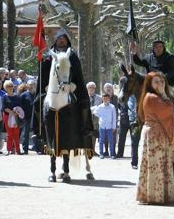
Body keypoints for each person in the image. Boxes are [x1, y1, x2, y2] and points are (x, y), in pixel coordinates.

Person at [35, 29, 95, 182]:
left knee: (83, 102)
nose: (61, 41)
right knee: (38, 104)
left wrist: (74, 85)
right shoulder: (48, 56)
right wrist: (45, 87)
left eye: (63, 38)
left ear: (67, 40)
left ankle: (85, 128)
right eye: (59, 38)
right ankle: (38, 129)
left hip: (70, 87)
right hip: (51, 89)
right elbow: (43, 74)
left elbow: (77, 74)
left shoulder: (72, 55)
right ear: (55, 40)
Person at [136, 71, 174, 204]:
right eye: (156, 82)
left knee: (159, 164)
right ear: (150, 83)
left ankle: (160, 195)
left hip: (158, 135)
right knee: (155, 165)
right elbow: (168, 110)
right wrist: (165, 94)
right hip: (154, 135)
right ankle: (155, 196)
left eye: (162, 81)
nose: (160, 84)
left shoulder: (154, 97)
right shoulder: (151, 97)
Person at [92, 93, 117, 159]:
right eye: (104, 99)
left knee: (111, 141)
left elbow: (114, 117)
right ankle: (101, 153)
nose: (106, 100)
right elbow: (94, 112)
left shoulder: (112, 107)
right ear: (102, 99)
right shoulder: (100, 106)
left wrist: (114, 127)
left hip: (109, 127)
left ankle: (112, 154)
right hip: (102, 126)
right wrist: (100, 116)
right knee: (101, 140)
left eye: (107, 99)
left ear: (109, 99)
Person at [2, 80, 22, 155]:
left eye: (11, 86)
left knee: (16, 134)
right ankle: (9, 150)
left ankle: (18, 150)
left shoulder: (17, 96)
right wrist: (12, 112)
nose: (10, 88)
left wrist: (16, 113)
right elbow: (4, 108)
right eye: (8, 86)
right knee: (9, 134)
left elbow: (20, 106)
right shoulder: (4, 97)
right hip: (7, 117)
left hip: (16, 116)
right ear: (5, 88)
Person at [19, 81, 36, 154]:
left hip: (35, 118)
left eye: (32, 84)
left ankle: (37, 148)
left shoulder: (36, 94)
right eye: (30, 85)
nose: (31, 86)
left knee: (37, 134)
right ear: (27, 86)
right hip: (26, 117)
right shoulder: (23, 95)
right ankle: (25, 149)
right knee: (25, 134)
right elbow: (20, 106)